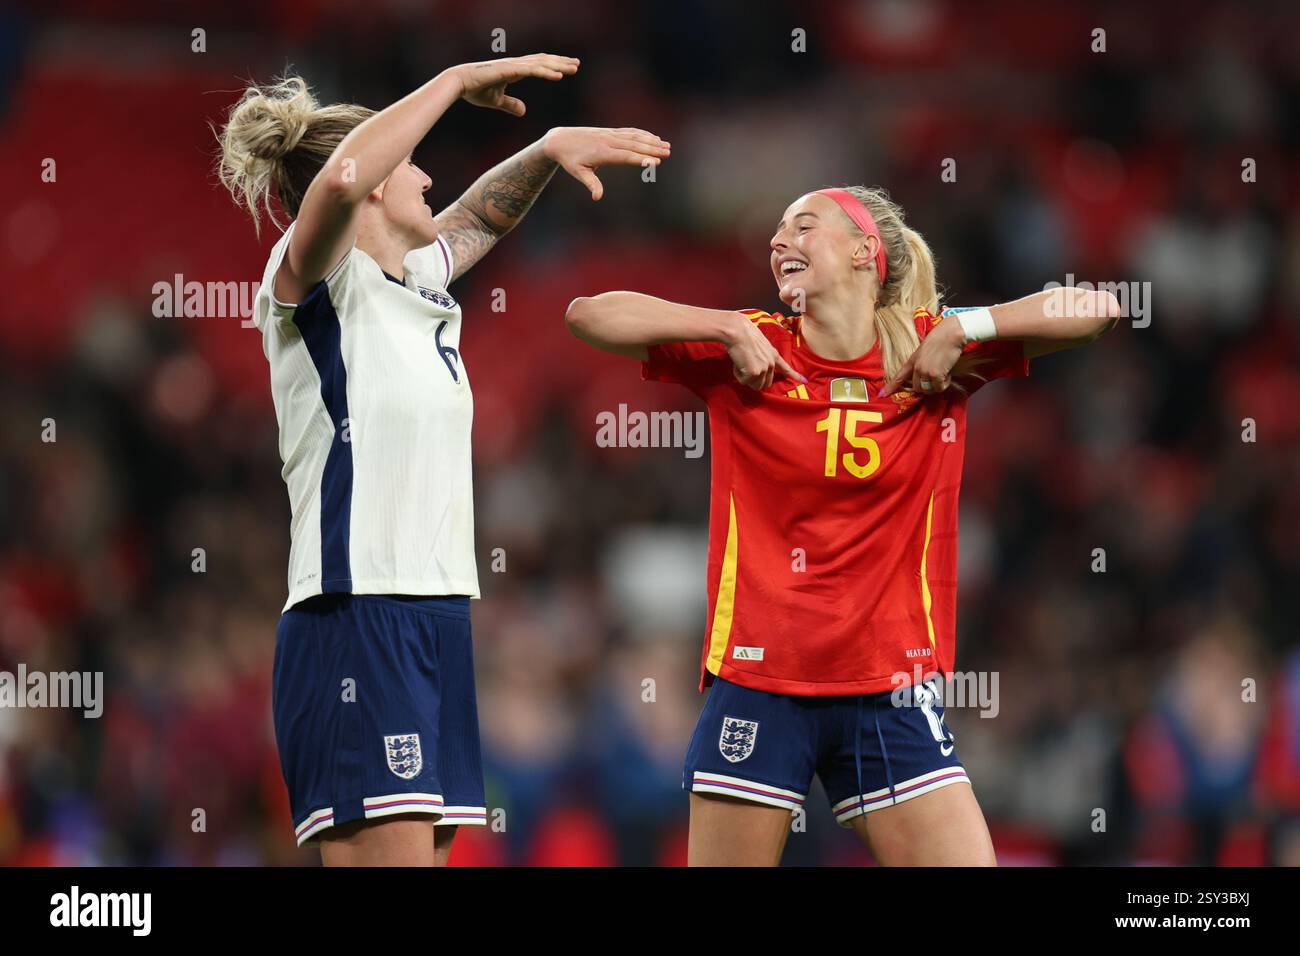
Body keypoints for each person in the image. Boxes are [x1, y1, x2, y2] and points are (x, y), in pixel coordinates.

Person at [565, 185, 1118, 866]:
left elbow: (1098, 309)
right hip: (761, 681)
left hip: (888, 686)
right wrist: (725, 326)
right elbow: (589, 314)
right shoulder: (751, 350)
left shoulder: (929, 351)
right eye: (775, 230)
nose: (778, 241)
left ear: (865, 252)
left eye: (803, 225)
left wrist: (963, 328)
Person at [215, 54, 670, 865]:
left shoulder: (417, 282)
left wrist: (546, 148)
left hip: (438, 616)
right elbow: (344, 179)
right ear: (380, 180)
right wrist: (455, 81)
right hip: (355, 614)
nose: (426, 177)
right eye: (413, 164)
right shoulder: (313, 283)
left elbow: (478, 220)